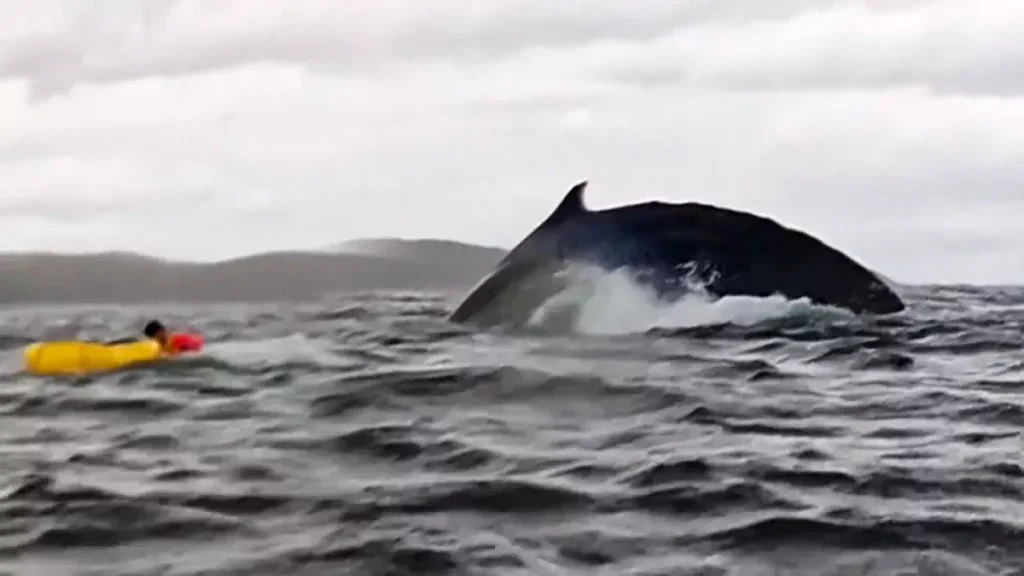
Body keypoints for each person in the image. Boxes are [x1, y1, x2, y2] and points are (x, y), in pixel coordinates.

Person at [104, 319, 169, 348]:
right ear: (156, 333)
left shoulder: (162, 345)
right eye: (163, 331)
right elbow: (126, 341)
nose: (166, 334)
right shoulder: (144, 342)